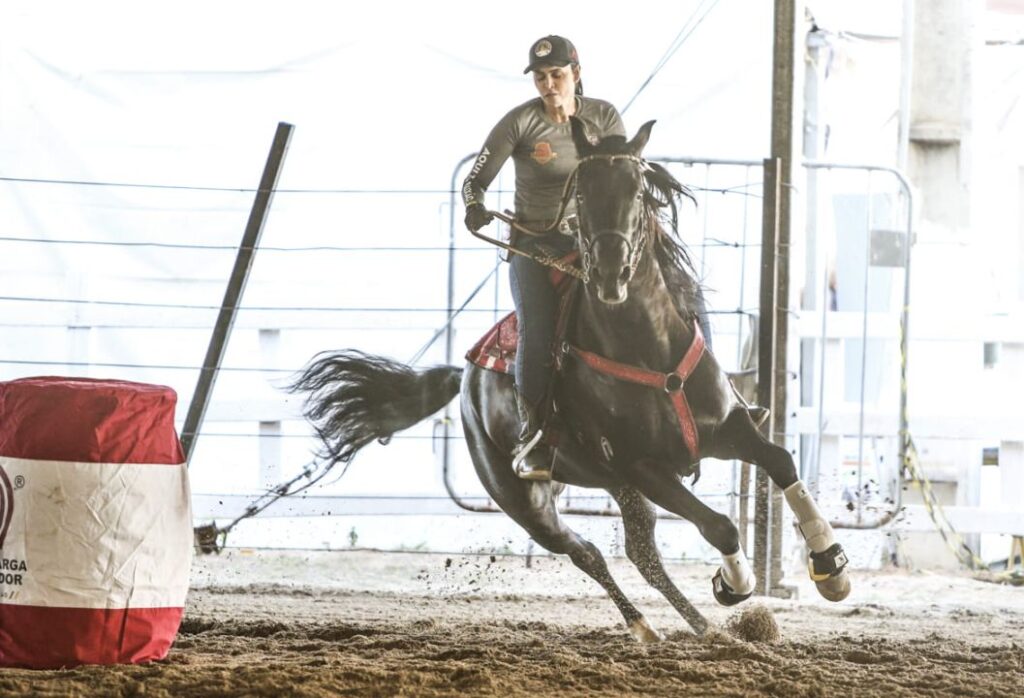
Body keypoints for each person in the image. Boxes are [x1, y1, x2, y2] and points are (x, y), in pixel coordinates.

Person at [462, 35, 714, 481]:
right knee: (537, 331)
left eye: (557, 75)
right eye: (541, 77)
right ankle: (534, 435)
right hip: (534, 248)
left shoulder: (604, 116)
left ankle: (714, 398)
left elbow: (620, 173)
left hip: (595, 246)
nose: (548, 84)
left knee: (684, 292)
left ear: (575, 74)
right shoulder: (518, 124)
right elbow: (474, 179)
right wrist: (474, 205)